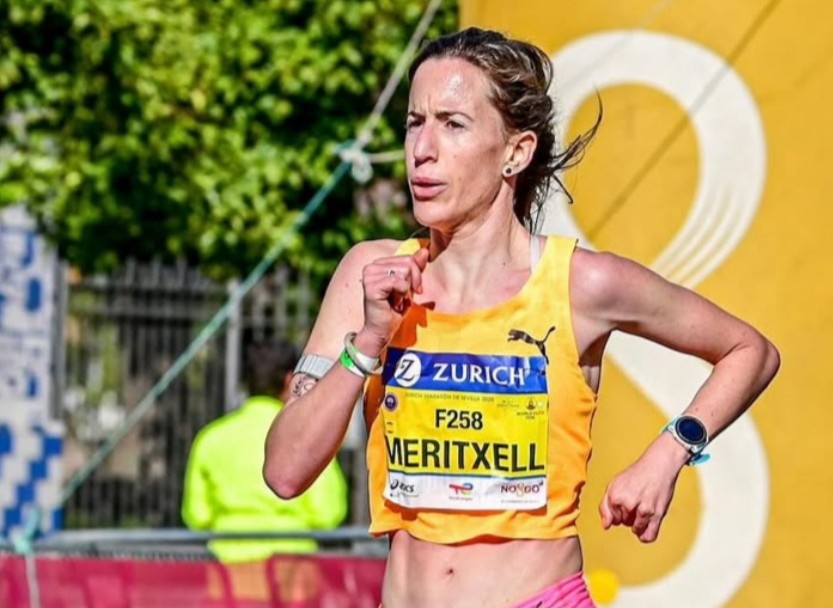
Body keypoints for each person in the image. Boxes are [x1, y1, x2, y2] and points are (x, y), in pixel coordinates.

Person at [263, 27, 780, 608]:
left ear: (516, 151)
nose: (422, 149)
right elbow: (284, 472)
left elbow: (750, 351)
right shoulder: (370, 275)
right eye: (414, 122)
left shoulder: (581, 284)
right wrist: (368, 343)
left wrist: (670, 452)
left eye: (453, 124)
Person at [183, 338, 348, 565]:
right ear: (289, 379)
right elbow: (327, 512)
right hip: (291, 568)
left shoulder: (211, 438)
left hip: (228, 569)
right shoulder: (306, 437)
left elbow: (197, 515)